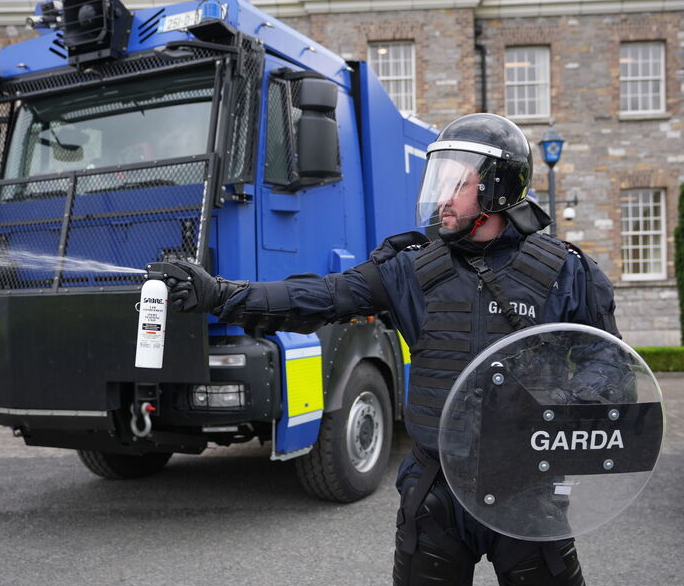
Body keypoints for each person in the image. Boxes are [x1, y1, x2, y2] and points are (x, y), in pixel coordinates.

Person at [163, 113, 618, 586]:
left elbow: (609, 366)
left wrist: (560, 413)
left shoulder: (568, 271)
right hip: (437, 490)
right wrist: (220, 294)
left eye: (456, 183)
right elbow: (319, 296)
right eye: (439, 180)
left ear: (497, 189)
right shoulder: (412, 270)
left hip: (528, 486)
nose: (442, 197)